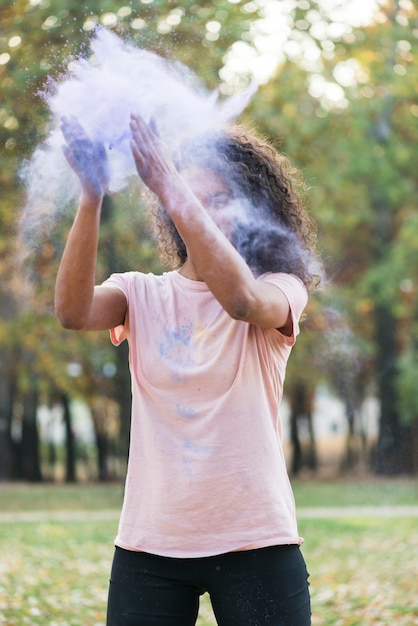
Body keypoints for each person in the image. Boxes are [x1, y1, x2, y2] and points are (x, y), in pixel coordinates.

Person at [56, 111, 318, 626]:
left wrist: (170, 182)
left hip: (255, 540)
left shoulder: (281, 287)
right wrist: (90, 195)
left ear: (252, 209)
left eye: (216, 198)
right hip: (150, 545)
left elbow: (241, 301)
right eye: (187, 197)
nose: (196, 208)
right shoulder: (140, 292)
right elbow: (72, 312)